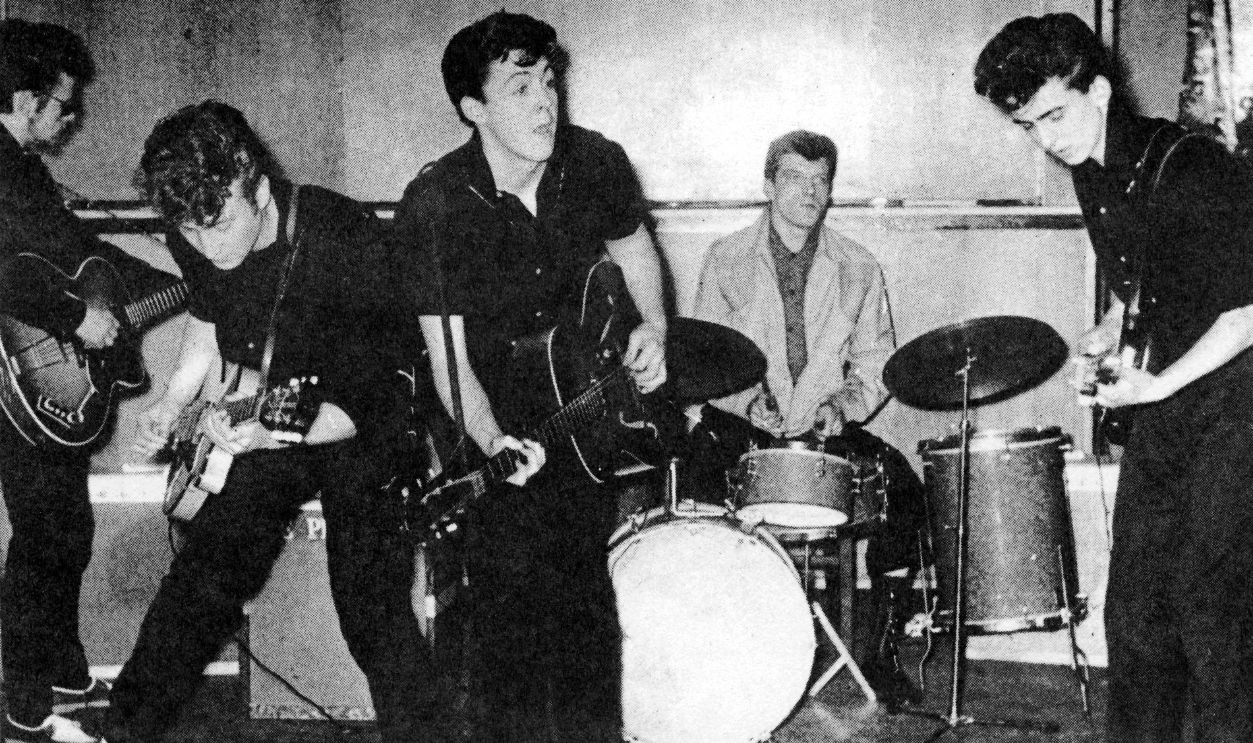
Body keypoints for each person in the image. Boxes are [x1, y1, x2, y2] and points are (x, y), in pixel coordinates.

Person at [101, 101, 446, 743]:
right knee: (203, 578)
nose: (206, 246)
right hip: (274, 410)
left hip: (362, 417)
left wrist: (279, 431)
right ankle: (122, 732)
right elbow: (206, 316)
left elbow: (389, 389)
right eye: (190, 233)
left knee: (370, 610)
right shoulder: (198, 220)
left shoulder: (347, 237)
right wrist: (173, 403)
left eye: (219, 224)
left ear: (257, 186)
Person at [389, 11, 668, 741]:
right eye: (519, 88)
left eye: (548, 82)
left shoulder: (596, 162)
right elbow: (446, 359)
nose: (545, 102)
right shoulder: (435, 205)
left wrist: (654, 325)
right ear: (471, 108)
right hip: (493, 424)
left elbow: (633, 243)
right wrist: (492, 443)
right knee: (509, 627)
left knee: (585, 611)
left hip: (585, 408)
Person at [976, 14, 1253, 742]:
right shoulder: (1091, 168)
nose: (1048, 138)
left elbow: (1247, 310)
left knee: (1210, 603)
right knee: (1132, 611)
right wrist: (1106, 333)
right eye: (1029, 125)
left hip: (1236, 395)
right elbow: (1144, 277)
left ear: (1097, 89)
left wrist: (1156, 385)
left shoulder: (1193, 167)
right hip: (1171, 395)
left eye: (1055, 114)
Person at [688, 129, 924, 700]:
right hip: (744, 426)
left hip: (825, 433)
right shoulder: (725, 260)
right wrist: (747, 403)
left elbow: (876, 362)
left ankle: (881, 651)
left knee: (904, 492)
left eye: (821, 181)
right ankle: (714, 652)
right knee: (691, 492)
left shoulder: (859, 266)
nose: (810, 192)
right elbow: (703, 359)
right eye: (795, 178)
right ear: (769, 185)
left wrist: (843, 407)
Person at [0, 20, 175, 743]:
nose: (70, 119)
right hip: (17, 376)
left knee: (64, 526)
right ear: (22, 98)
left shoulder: (25, 171)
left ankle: (60, 670)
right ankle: (21, 702)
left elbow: (75, 250)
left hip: (39, 385)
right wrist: (75, 316)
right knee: (46, 532)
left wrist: (177, 279)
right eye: (62, 105)